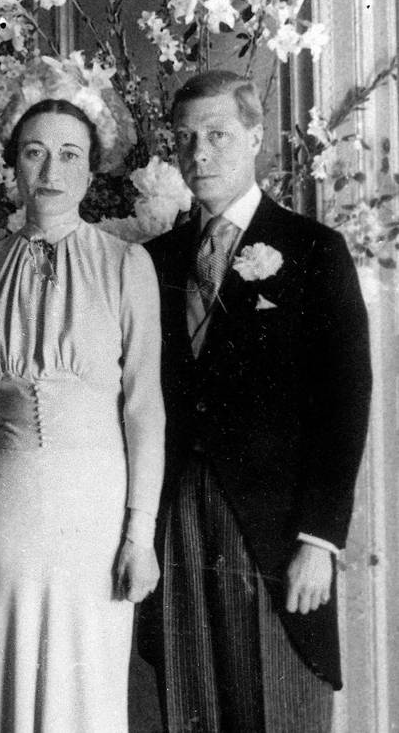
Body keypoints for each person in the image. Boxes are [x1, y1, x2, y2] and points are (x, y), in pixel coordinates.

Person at [142, 70, 372, 733]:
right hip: (178, 517)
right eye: (185, 138)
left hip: (274, 529)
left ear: (254, 136)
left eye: (217, 135)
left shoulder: (314, 250)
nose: (199, 153)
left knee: (277, 705)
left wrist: (319, 540)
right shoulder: (154, 261)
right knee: (193, 704)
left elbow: (345, 401)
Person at [0, 56, 165, 733]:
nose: (51, 170)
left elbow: (144, 407)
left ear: (91, 169)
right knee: (16, 670)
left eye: (69, 154)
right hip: (10, 498)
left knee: (90, 674)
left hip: (97, 502)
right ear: (13, 164)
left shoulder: (127, 264)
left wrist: (140, 534)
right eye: (34, 152)